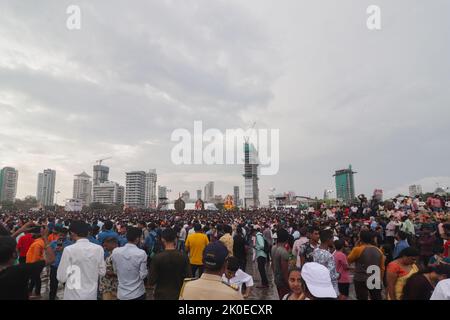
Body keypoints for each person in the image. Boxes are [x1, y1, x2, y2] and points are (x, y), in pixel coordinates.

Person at [57, 221, 106, 300]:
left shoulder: (69, 250)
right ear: (87, 233)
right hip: (91, 295)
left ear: (72, 233)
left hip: (72, 295)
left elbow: (61, 277)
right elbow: (102, 272)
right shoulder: (98, 249)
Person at [0, 232, 55, 300]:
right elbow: (51, 259)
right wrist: (46, 239)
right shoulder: (21, 270)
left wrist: (21, 229)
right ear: (14, 254)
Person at [149, 228, 191, 300]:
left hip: (160, 294)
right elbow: (188, 277)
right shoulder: (183, 256)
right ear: (175, 239)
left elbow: (151, 281)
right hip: (178, 294)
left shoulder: (157, 257)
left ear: (163, 239)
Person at [111, 227, 148, 300]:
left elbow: (115, 270)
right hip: (137, 293)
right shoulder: (141, 253)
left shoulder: (116, 251)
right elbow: (143, 275)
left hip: (122, 293)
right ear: (137, 239)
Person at [347, 230, 385, 300]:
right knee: (376, 297)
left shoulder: (358, 249)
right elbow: (382, 268)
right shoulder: (378, 250)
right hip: (374, 278)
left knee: (361, 297)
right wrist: (380, 279)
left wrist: (356, 245)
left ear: (360, 238)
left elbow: (348, 260)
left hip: (360, 278)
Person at [312, 229, 340, 297]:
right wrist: (339, 275)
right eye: (332, 239)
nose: (333, 241)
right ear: (328, 239)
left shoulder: (315, 251)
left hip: (318, 285)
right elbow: (332, 276)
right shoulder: (329, 256)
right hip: (330, 289)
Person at [48, 227, 73, 300]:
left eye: (63, 235)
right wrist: (54, 250)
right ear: (58, 234)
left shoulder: (70, 244)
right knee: (53, 285)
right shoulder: (53, 243)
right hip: (54, 266)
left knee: (67, 285)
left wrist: (64, 249)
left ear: (66, 235)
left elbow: (72, 256)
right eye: (60, 235)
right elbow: (48, 254)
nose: (61, 236)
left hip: (66, 267)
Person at [26, 226, 46, 299]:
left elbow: (35, 257)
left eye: (32, 233)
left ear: (36, 234)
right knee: (35, 279)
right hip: (34, 264)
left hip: (34, 265)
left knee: (36, 279)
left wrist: (31, 266)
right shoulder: (38, 242)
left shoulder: (37, 244)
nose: (31, 234)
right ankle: (30, 291)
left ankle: (37, 293)